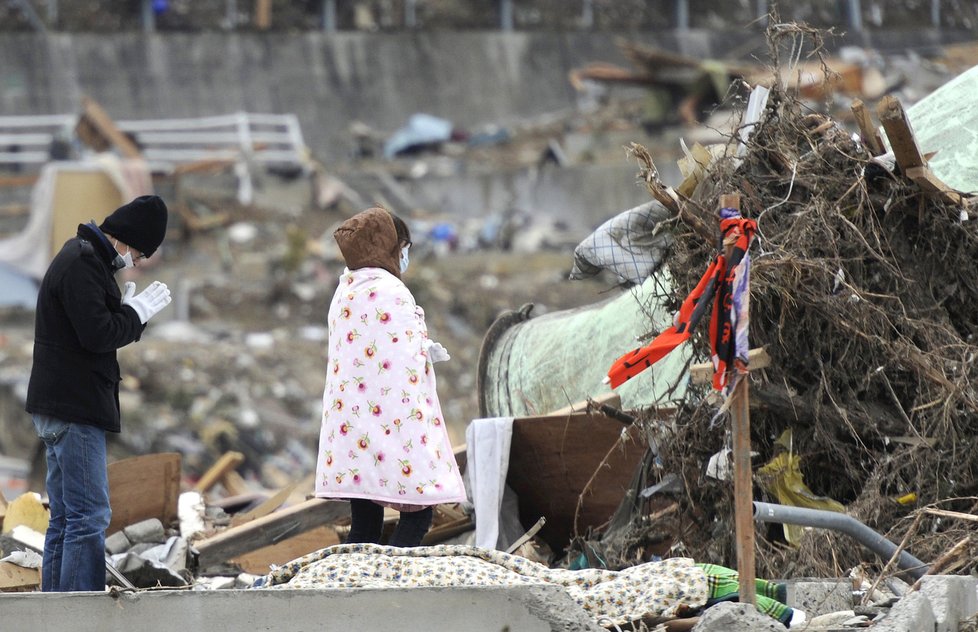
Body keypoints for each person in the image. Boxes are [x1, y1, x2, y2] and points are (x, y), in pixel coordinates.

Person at [26, 194, 172, 592]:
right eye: (138, 254)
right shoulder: (84, 263)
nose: (135, 262)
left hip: (59, 405)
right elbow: (98, 335)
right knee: (89, 515)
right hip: (75, 409)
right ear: (125, 239)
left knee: (66, 517)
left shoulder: (82, 257)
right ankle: (77, 612)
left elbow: (94, 328)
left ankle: (54, 612)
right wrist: (134, 314)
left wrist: (124, 313)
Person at [315, 207, 466, 546]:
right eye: (404, 247)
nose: (405, 255)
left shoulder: (345, 290)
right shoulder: (391, 290)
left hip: (352, 427)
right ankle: (388, 579)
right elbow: (401, 362)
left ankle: (352, 585)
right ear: (388, 245)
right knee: (419, 511)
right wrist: (424, 352)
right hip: (394, 425)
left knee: (365, 522)